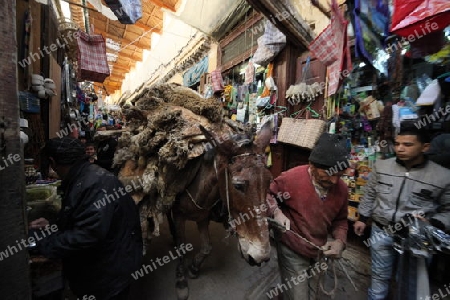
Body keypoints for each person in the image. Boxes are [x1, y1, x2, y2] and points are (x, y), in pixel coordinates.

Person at [29, 137, 143, 300]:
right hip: (109, 262)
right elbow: (82, 216)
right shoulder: (84, 176)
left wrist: (42, 244)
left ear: (53, 162)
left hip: (109, 272)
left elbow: (88, 234)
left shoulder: (94, 183)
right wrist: (54, 225)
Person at [354, 121, 450, 300]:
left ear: (425, 147)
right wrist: (362, 217)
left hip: (416, 239)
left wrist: (432, 223)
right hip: (381, 230)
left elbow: (448, 210)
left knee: (409, 283)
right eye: (397, 143)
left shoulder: (442, 177)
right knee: (379, 276)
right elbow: (370, 194)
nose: (400, 148)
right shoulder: (382, 167)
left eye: (407, 144)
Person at [267, 133, 350, 299]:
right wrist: (276, 212)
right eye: (329, 173)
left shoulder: (342, 190)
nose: (334, 181)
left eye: (339, 174)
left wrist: (340, 242)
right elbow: (268, 196)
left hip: (319, 251)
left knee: (314, 295)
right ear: (312, 165)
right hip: (292, 248)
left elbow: (340, 221)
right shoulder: (291, 178)